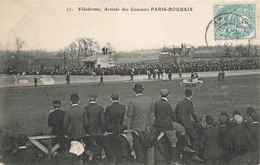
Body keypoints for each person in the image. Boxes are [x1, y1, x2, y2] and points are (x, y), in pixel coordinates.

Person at [153, 89, 193, 165]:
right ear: (168, 95)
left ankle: (184, 147)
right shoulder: (167, 104)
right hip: (167, 124)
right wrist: (176, 119)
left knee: (180, 129)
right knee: (174, 139)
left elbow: (156, 114)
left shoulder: (157, 103)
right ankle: (174, 159)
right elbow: (172, 114)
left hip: (159, 123)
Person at [126, 84, 154, 164]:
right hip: (147, 125)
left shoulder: (133, 101)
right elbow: (151, 112)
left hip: (136, 127)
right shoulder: (149, 99)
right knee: (147, 145)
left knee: (138, 146)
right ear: (142, 90)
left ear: (135, 91)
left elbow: (129, 114)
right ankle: (146, 161)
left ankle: (140, 161)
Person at [174, 89, 203, 161]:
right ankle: (195, 155)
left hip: (179, 124)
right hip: (186, 124)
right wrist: (197, 120)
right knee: (195, 137)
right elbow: (193, 113)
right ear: (191, 96)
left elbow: (174, 114)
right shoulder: (189, 103)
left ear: (184, 95)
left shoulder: (179, 103)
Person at [105, 93, 131, 162]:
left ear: (111, 99)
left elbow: (106, 117)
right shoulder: (122, 107)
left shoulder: (109, 108)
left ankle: (112, 159)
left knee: (112, 145)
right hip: (120, 127)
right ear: (119, 98)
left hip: (111, 128)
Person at [84, 94, 108, 161]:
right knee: (100, 144)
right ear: (96, 100)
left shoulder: (85, 108)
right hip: (98, 131)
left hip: (89, 131)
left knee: (90, 145)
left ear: (88, 100)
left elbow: (85, 122)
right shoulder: (100, 108)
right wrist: (103, 131)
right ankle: (102, 156)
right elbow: (103, 121)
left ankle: (90, 157)